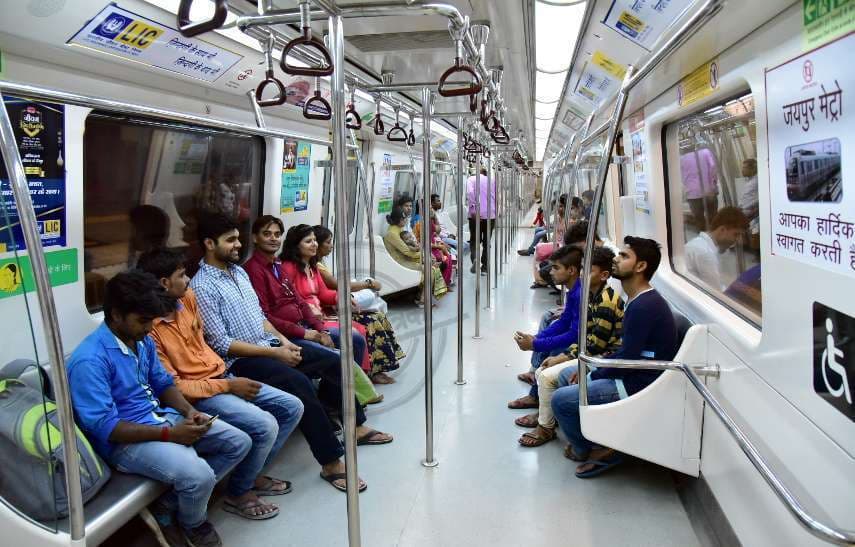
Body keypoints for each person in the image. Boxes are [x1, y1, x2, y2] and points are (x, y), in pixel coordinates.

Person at [190, 212, 392, 493]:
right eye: (231, 240)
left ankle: (355, 426)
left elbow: (260, 317)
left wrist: (284, 343)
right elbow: (221, 343)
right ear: (210, 244)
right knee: (298, 384)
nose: (238, 244)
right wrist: (275, 354)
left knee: (335, 361)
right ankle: (331, 462)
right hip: (242, 360)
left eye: (238, 238)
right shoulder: (201, 287)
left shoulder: (236, 273)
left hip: (269, 344)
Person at [67, 271, 251, 547]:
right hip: (124, 442)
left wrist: (190, 412)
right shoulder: (90, 360)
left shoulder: (141, 340)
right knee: (198, 475)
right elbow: (106, 427)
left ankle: (168, 505)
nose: (149, 327)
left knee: (238, 442)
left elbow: (162, 382)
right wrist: (171, 434)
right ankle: (193, 524)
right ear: (116, 315)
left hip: (162, 417)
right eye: (142, 320)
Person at [138, 248, 304, 521]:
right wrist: (228, 387)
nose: (189, 279)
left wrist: (227, 376)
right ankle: (239, 492)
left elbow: (203, 345)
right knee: (265, 424)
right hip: (198, 391)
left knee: (291, 406)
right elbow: (174, 386)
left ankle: (249, 473)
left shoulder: (187, 299)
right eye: (181, 275)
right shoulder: (149, 329)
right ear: (164, 283)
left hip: (221, 373)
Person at [551, 236, 678, 478]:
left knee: (561, 400)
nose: (616, 260)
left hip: (638, 382)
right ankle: (599, 436)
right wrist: (590, 369)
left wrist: (595, 371)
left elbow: (628, 358)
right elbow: (626, 351)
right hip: (631, 369)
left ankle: (589, 449)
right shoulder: (637, 300)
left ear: (641, 267)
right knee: (568, 374)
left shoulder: (644, 306)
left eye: (624, 256)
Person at [243, 217, 381, 403]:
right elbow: (264, 315)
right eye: (267, 234)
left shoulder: (277, 266)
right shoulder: (255, 270)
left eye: (277, 234)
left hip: (306, 323)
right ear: (254, 238)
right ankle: (339, 402)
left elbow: (299, 302)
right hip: (286, 334)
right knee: (341, 351)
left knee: (353, 337)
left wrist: (320, 329)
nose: (273, 238)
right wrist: (307, 333)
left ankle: (333, 397)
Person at [516, 247, 624, 448]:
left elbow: (593, 345)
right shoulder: (591, 295)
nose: (583, 274)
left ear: (604, 275)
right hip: (590, 350)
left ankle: (546, 426)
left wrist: (562, 356)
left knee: (546, 374)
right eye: (583, 268)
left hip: (601, 356)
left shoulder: (605, 302)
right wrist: (538, 340)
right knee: (544, 366)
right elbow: (577, 330)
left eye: (587, 270)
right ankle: (544, 414)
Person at [313, 225, 407, 384]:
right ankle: (373, 371)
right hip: (326, 310)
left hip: (331, 303)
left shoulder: (318, 264)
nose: (331, 246)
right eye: (328, 242)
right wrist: (367, 284)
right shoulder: (316, 266)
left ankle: (380, 366)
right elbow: (336, 285)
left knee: (378, 316)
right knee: (370, 322)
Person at [508, 246, 583, 411]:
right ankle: (536, 386)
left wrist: (536, 344)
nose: (551, 272)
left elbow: (575, 335)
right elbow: (564, 322)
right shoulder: (574, 291)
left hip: (582, 344)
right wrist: (536, 338)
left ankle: (536, 398)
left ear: (571, 270)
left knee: (555, 349)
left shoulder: (580, 294)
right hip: (575, 336)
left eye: (556, 268)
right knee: (548, 334)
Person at [383, 206, 448, 305]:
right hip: (401, 261)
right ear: (400, 220)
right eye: (405, 219)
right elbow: (407, 252)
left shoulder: (398, 229)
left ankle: (420, 296)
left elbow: (410, 248)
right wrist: (423, 254)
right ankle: (422, 300)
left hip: (406, 258)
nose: (406, 221)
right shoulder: (392, 234)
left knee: (431, 264)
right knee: (429, 270)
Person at [684, 206, 749, 291]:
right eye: (736, 234)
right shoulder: (705, 253)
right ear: (722, 230)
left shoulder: (699, 244)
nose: (739, 240)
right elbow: (716, 292)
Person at [680, 146, 719, 231]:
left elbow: (680, 177)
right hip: (708, 191)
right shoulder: (705, 152)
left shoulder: (681, 159)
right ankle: (714, 239)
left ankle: (703, 238)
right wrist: (713, 186)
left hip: (692, 194)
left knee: (699, 219)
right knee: (713, 218)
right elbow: (713, 168)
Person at [466, 166, 496, 274]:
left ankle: (475, 259)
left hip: (475, 215)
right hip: (490, 215)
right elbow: (497, 197)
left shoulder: (471, 179)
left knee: (474, 240)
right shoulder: (492, 181)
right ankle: (485, 267)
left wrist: (473, 209)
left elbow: (470, 193)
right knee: (487, 242)